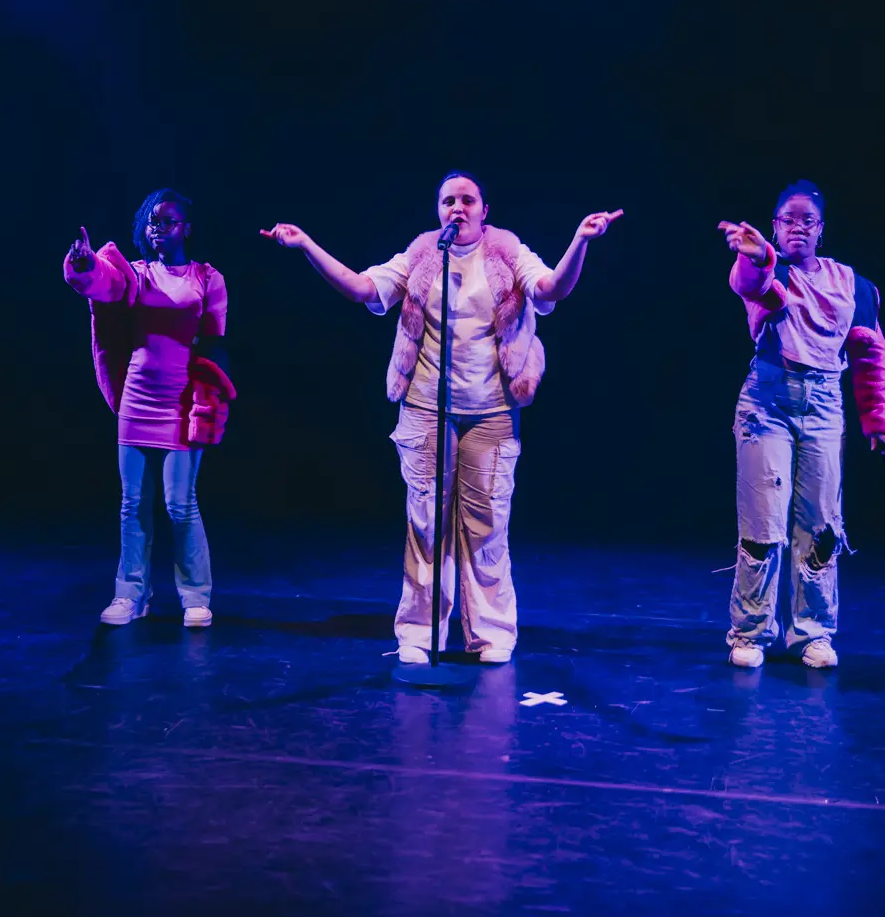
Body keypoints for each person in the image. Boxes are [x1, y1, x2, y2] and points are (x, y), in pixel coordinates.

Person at [262, 172, 622, 664]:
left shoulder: (508, 251)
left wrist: (581, 241)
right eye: (448, 200)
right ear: (438, 210)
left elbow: (551, 288)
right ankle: (419, 632)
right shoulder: (423, 254)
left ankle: (491, 633)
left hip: (491, 410)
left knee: (486, 524)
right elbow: (363, 288)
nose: (458, 208)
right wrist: (307, 246)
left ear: (484, 209)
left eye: (468, 200)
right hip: (427, 408)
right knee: (427, 523)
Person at [718, 180, 885, 669]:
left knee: (820, 525)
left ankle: (813, 632)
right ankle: (751, 631)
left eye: (807, 221)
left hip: (824, 404)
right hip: (768, 400)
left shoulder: (853, 285)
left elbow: (870, 355)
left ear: (821, 229)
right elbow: (753, 287)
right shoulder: (770, 273)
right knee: (763, 522)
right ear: (775, 227)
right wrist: (755, 257)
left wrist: (881, 422)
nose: (797, 227)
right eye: (787, 220)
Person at [64, 189, 234, 627]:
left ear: (187, 229)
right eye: (152, 221)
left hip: (182, 404)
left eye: (168, 221)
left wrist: (209, 406)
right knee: (132, 503)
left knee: (181, 503)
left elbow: (216, 345)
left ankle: (196, 596)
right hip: (137, 401)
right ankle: (131, 595)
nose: (158, 228)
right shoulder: (136, 275)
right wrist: (85, 264)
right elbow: (105, 282)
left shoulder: (206, 278)